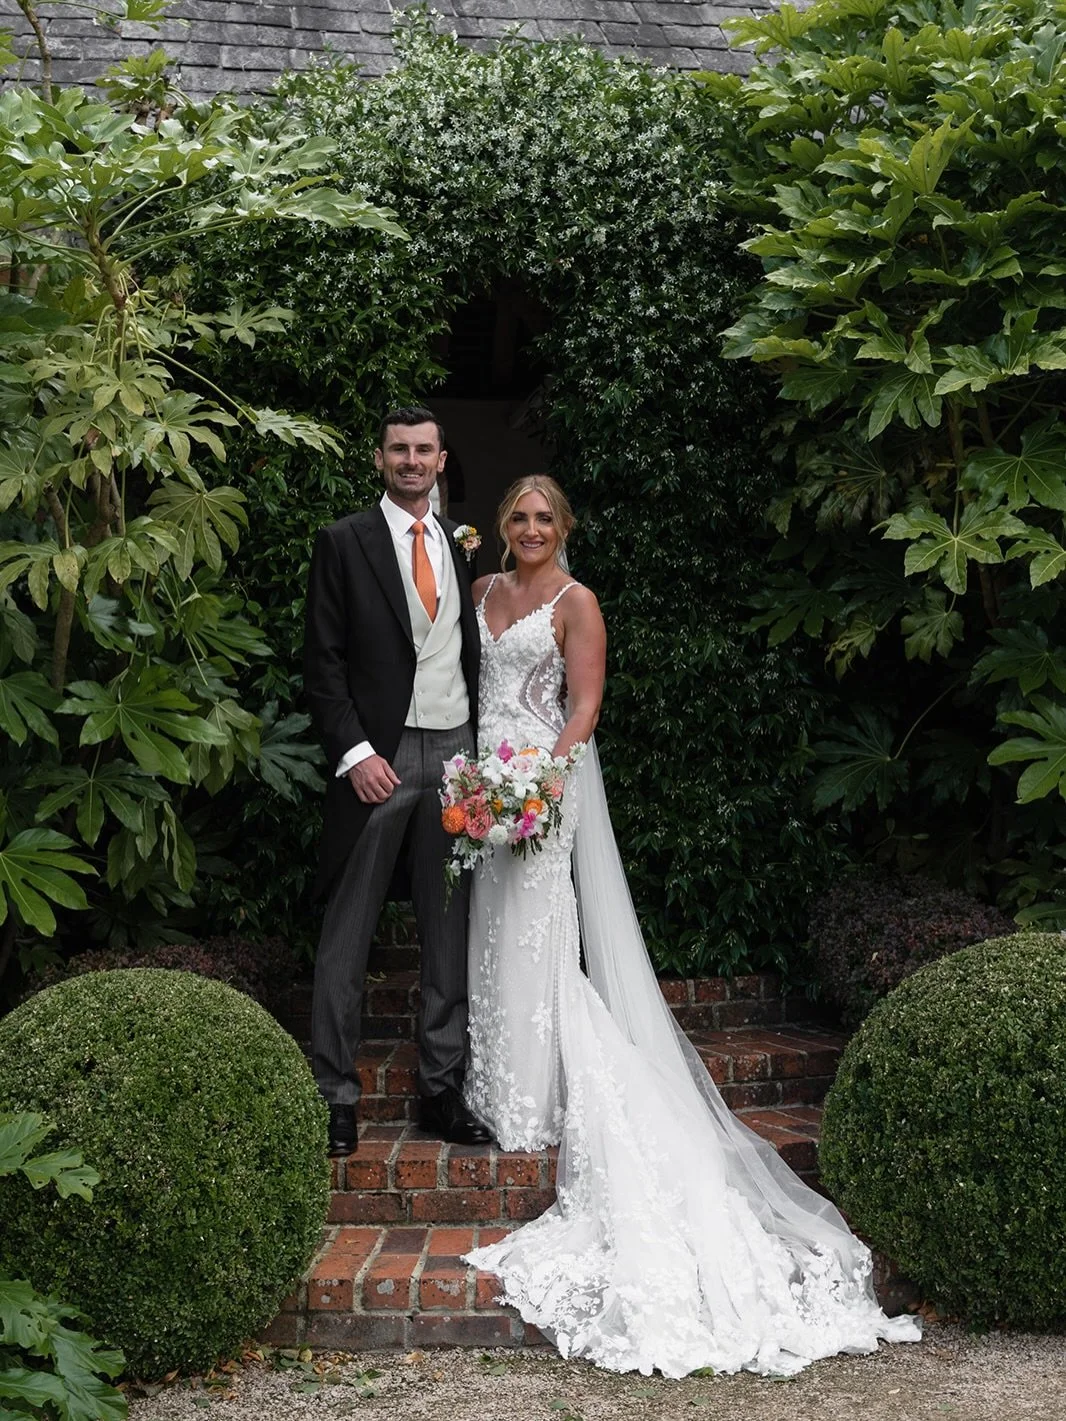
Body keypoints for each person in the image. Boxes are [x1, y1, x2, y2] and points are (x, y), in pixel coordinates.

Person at [462, 474, 923, 1378]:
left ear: (564, 526)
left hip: (542, 785)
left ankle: (541, 1095)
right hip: (484, 783)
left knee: (539, 932)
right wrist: (487, 785)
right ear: (504, 525)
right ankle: (493, 1084)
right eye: (519, 515)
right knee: (491, 931)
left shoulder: (576, 601)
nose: (530, 527)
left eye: (544, 516)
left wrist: (541, 783)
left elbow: (584, 705)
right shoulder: (481, 591)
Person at [303, 406, 491, 1156]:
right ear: (380, 459)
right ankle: (334, 1094)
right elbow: (322, 660)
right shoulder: (343, 540)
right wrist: (355, 753)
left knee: (449, 931)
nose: (411, 460)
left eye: (424, 450)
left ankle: (441, 1089)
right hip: (378, 759)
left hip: (455, 754)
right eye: (398, 449)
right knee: (346, 933)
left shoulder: (461, 541)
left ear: (442, 460)